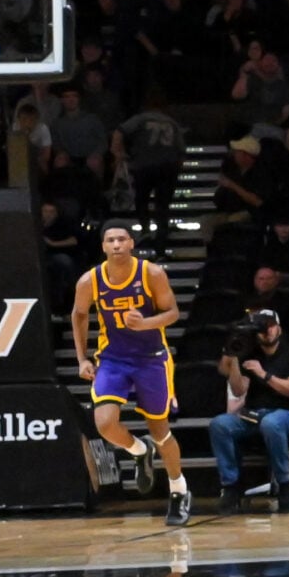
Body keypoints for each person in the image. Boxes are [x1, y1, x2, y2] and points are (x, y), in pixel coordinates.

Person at [70, 220, 192, 525]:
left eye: (121, 239)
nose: (116, 245)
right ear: (103, 246)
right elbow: (80, 314)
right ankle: (138, 451)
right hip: (113, 358)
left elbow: (173, 313)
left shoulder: (151, 273)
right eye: (110, 240)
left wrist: (146, 323)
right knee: (105, 423)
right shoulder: (89, 281)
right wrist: (82, 358)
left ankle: (179, 490)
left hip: (151, 359)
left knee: (160, 431)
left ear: (131, 243)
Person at [213, 307, 289, 511]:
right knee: (220, 424)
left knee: (271, 423)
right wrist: (235, 359)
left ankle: (285, 484)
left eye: (271, 326)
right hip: (254, 415)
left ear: (279, 329)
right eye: (263, 327)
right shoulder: (251, 352)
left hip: (286, 415)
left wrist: (264, 374)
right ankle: (230, 486)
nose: (267, 331)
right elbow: (238, 390)